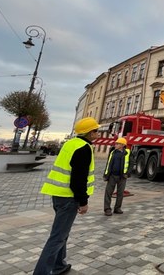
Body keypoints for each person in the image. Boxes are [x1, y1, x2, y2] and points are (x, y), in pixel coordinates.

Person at [33, 117, 100, 275]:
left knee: (62, 233)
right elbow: (78, 179)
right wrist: (83, 202)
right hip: (69, 198)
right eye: (96, 130)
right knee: (57, 237)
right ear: (90, 133)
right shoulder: (84, 148)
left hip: (58, 194)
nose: (98, 133)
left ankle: (58, 265)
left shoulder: (70, 143)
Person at [103, 137, 131, 216]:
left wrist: (127, 173)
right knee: (108, 192)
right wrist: (106, 175)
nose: (115, 145)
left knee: (120, 193)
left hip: (122, 177)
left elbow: (131, 164)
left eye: (117, 144)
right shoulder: (112, 152)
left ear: (122, 145)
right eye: (115, 143)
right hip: (112, 176)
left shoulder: (127, 153)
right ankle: (107, 209)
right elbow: (108, 164)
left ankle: (117, 208)